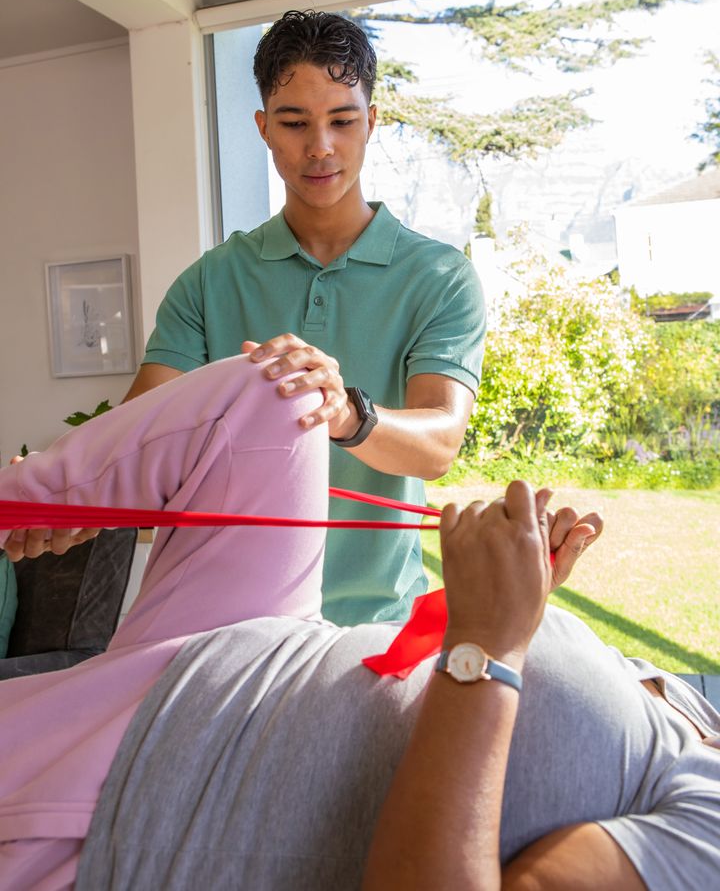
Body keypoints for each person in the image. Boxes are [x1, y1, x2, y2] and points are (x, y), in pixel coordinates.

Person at [1, 356, 718, 891]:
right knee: (282, 388)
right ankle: (24, 502)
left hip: (169, 791)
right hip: (246, 649)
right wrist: (525, 591)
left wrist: (488, 643)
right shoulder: (685, 702)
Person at [5, 10, 486, 627]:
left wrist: (342, 412)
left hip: (369, 625)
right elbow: (136, 443)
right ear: (263, 128)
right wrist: (54, 498)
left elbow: (439, 444)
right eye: (294, 122)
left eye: (343, 120)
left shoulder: (439, 277)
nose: (321, 147)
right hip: (216, 633)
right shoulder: (210, 281)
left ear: (373, 122)